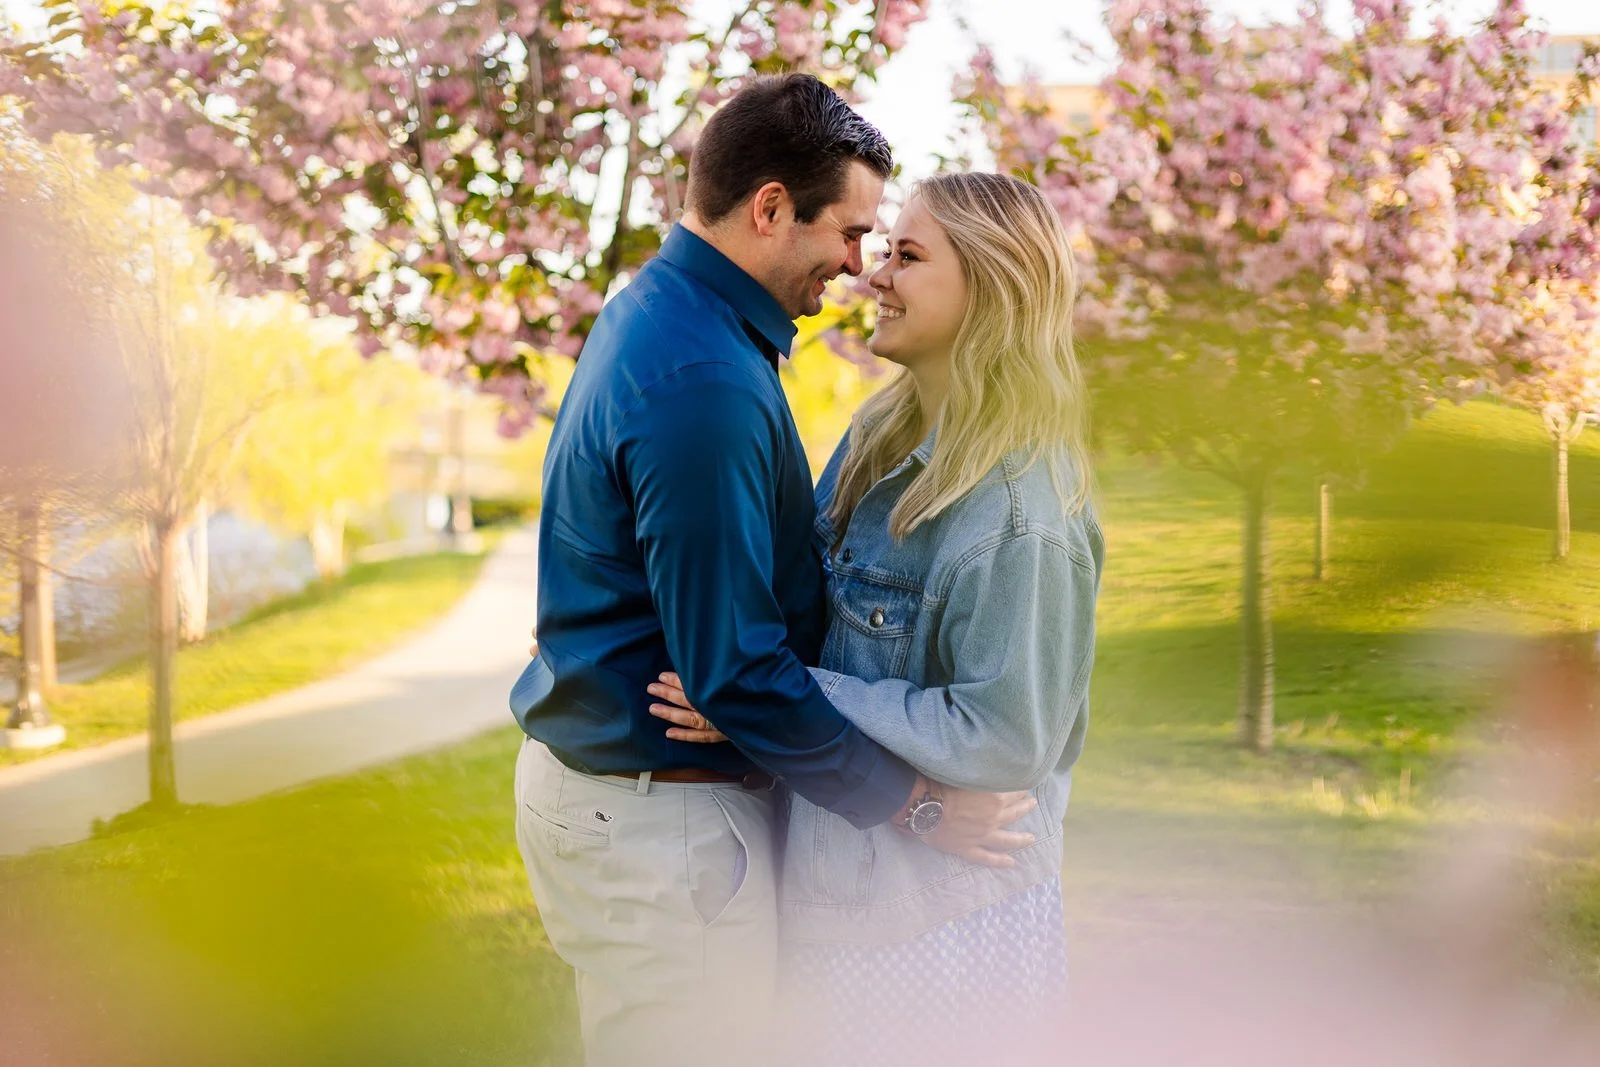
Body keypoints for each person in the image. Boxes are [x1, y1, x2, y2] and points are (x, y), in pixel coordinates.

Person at [509, 76, 1033, 1067]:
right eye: (849, 230)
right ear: (768, 208)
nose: (857, 263)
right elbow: (733, 673)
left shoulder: (666, 317)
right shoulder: (703, 377)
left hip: (633, 800)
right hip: (659, 822)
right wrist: (918, 803)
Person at [646, 172, 1103, 1066]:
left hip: (943, 923)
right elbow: (802, 602)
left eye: (908, 256)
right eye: (885, 250)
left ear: (995, 289)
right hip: (841, 890)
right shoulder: (878, 436)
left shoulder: (1022, 514)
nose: (874, 275)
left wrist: (784, 694)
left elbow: (1007, 738)